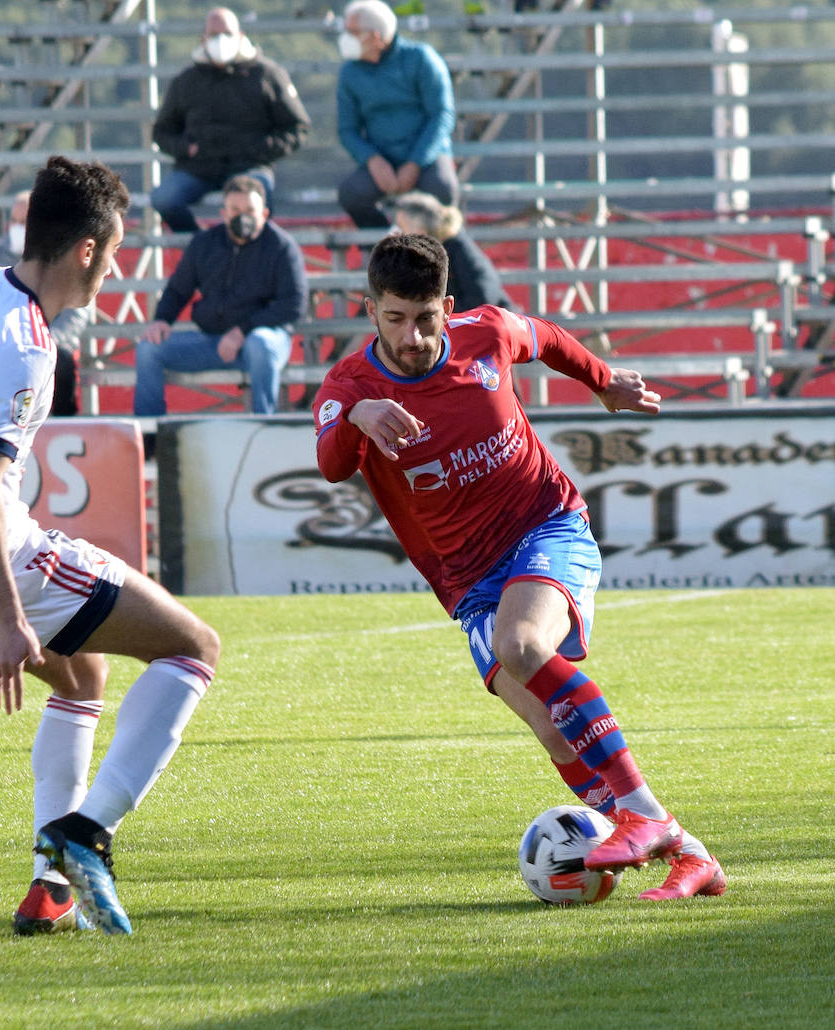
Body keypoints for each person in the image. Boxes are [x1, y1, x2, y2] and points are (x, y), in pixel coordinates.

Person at [312, 233, 726, 901]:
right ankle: (693, 854)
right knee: (551, 729)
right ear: (370, 311)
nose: (412, 336)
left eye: (425, 318)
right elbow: (331, 464)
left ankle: (643, 814)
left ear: (448, 306)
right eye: (395, 319)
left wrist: (605, 383)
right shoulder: (350, 386)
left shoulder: (488, 334)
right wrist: (359, 413)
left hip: (545, 525)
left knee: (523, 644)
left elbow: (550, 339)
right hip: (468, 580)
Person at [0, 156, 220, 936]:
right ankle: (84, 834)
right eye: (118, 250)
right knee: (193, 647)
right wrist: (5, 616)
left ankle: (48, 889)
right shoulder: (30, 345)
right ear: (87, 251)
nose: (117, 267)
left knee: (81, 675)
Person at [133, 174, 307, 416]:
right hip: (212, 340)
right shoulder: (204, 244)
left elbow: (294, 304)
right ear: (223, 213)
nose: (242, 216)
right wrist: (162, 319)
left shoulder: (282, 247)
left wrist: (242, 331)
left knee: (261, 345)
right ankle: (151, 438)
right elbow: (177, 290)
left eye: (250, 209)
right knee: (148, 349)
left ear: (264, 214)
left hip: (260, 342)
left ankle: (263, 427)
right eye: (235, 209)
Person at [150, 6, 311, 232]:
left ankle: (254, 255)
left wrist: (260, 150)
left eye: (227, 33)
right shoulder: (185, 80)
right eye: (214, 35)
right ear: (203, 39)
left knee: (258, 196)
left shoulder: (267, 74)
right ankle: (202, 249)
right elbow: (162, 131)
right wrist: (187, 149)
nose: (220, 40)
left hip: (248, 166)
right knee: (163, 198)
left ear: (241, 36)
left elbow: (297, 126)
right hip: (198, 167)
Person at [335, 0, 458, 228]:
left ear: (375, 36)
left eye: (352, 32)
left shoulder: (422, 59)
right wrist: (372, 160)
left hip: (426, 157)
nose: (345, 37)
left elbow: (442, 115)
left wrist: (415, 162)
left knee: (442, 188)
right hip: (382, 157)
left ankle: (440, 254)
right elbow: (347, 130)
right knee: (351, 194)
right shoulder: (349, 73)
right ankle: (387, 248)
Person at [0, 189, 90, 415]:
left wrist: (48, 341)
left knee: (62, 362)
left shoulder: (65, 255)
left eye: (24, 222)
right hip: (5, 341)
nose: (17, 227)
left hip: (52, 340)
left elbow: (77, 312)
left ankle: (64, 424)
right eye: (13, 221)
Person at [388, 191, 511, 312]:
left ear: (421, 233)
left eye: (401, 228)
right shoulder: (428, 253)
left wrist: (439, 316)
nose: (396, 234)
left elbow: (483, 298)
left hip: (488, 326)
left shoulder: (457, 250)